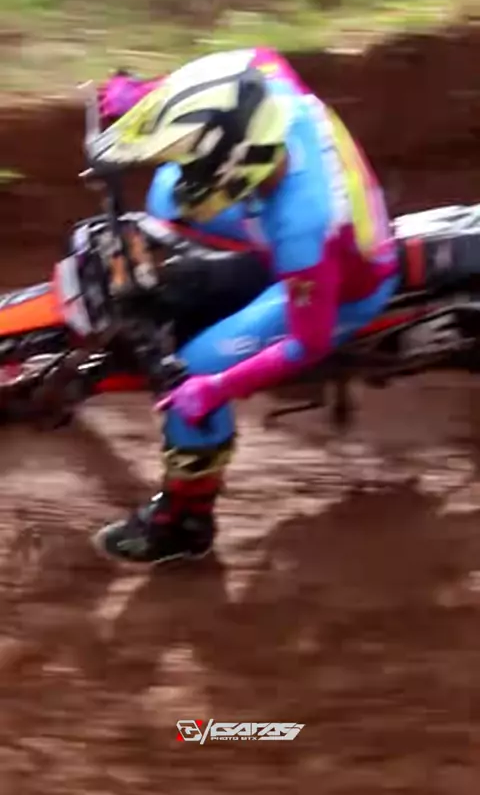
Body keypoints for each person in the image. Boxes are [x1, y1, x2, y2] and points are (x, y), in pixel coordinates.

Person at [87, 47, 399, 565]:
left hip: (347, 285)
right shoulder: (268, 82)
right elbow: (231, 76)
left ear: (237, 164)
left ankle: (184, 522)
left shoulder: (301, 228)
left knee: (195, 369)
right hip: (307, 224)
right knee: (167, 195)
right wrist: (147, 97)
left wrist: (216, 388)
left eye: (201, 166)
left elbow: (308, 342)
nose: (190, 169)